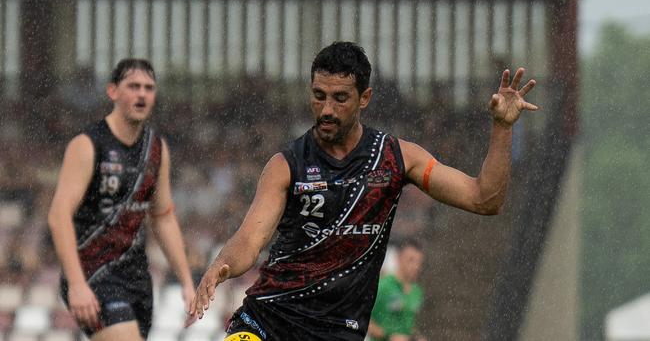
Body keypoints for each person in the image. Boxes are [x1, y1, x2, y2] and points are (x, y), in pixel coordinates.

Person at [187, 41, 538, 340]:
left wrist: (502, 128)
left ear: (365, 98)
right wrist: (221, 264)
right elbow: (250, 240)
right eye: (319, 96)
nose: (326, 109)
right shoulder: (286, 164)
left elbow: (484, 199)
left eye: (340, 98)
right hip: (268, 321)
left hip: (338, 331)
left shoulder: (398, 158)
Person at [47, 58, 196, 340]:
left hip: (137, 277)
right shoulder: (88, 144)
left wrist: (187, 281)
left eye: (149, 88)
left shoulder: (156, 148)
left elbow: (163, 216)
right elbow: (58, 215)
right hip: (93, 272)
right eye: (134, 86)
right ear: (113, 91)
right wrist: (77, 284)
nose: (142, 94)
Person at [368, 240, 426, 341]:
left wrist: (416, 337)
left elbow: (408, 323)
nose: (415, 266)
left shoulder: (417, 291)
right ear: (398, 259)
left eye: (418, 262)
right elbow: (365, 320)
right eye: (410, 260)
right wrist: (388, 336)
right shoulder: (383, 286)